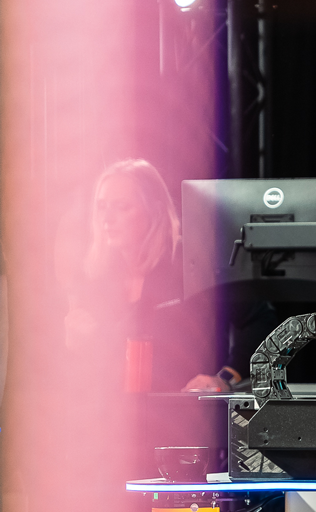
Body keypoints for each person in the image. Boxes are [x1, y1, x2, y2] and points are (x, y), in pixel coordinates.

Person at [63, 159, 235, 393]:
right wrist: (76, 346)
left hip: (184, 405)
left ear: (154, 210)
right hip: (121, 408)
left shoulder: (190, 262)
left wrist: (225, 378)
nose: (107, 219)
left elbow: (257, 322)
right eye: (102, 207)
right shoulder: (95, 276)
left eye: (122, 207)